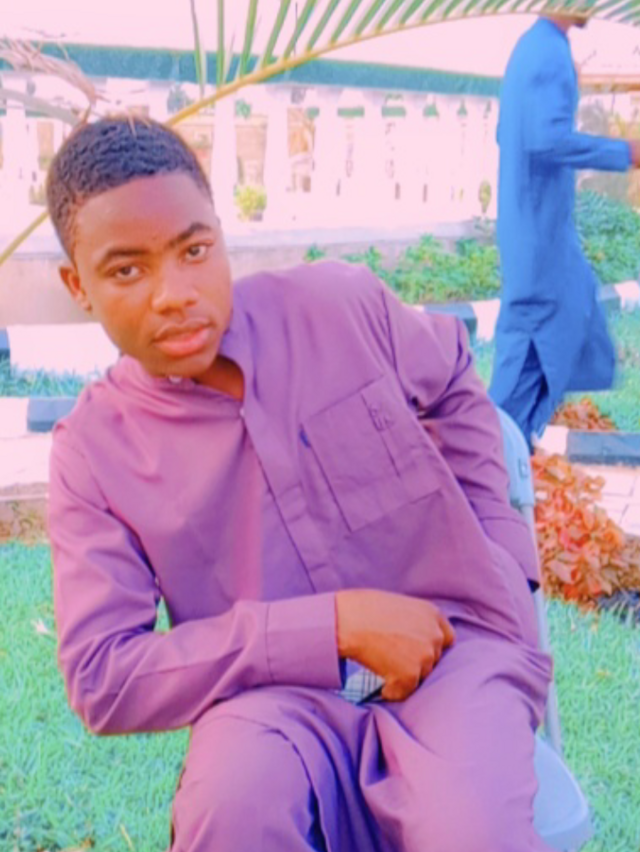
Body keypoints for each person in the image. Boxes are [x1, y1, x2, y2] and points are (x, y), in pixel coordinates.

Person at [47, 116, 553, 852]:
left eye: (194, 250)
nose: (174, 294)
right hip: (271, 701)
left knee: (472, 833)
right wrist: (331, 627)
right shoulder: (94, 452)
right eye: (128, 270)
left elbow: (452, 378)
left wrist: (503, 553)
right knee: (231, 812)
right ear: (79, 286)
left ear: (220, 234)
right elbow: (104, 676)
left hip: (453, 652)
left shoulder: (336, 306)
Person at [489, 10, 640, 449]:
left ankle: (506, 453)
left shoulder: (533, 48)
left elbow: (508, 133)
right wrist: (626, 152)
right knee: (534, 352)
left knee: (566, 323)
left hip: (533, 232)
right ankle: (490, 459)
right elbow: (546, 140)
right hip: (540, 243)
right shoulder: (548, 53)